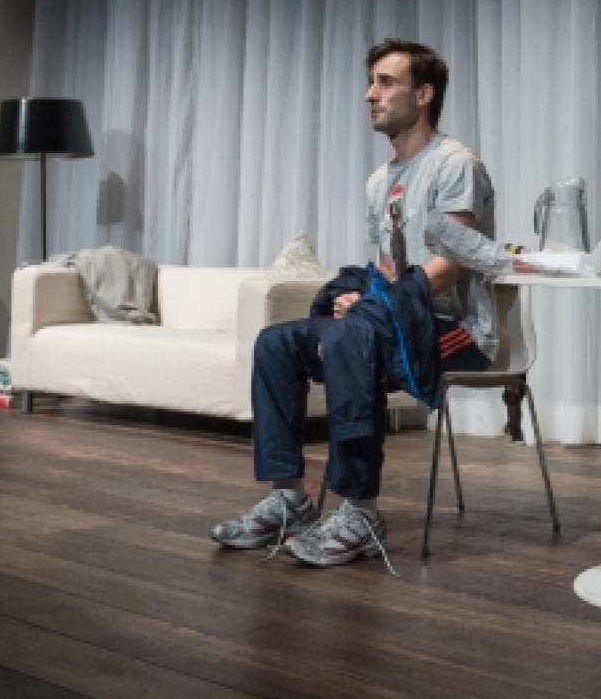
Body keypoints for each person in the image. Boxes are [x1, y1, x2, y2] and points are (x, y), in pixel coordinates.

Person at [210, 39, 499, 568]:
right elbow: (389, 268)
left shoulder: (455, 164)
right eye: (371, 82)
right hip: (392, 321)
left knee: (354, 338)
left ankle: (361, 512)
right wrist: (361, 297)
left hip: (453, 329)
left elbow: (447, 266)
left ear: (424, 94)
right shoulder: (378, 182)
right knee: (277, 343)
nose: (371, 94)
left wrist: (375, 308)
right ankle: (289, 498)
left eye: (386, 83)